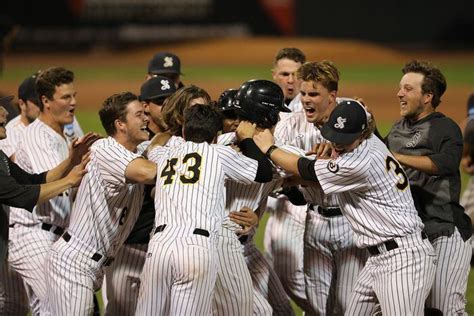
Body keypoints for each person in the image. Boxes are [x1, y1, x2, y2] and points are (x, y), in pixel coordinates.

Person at [254, 99, 437, 315]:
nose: (338, 144)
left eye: (345, 140)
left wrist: (269, 148)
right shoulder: (373, 143)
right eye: (335, 137)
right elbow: (325, 178)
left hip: (404, 261)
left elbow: (307, 168)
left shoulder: (360, 161)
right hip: (379, 259)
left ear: (361, 135)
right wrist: (301, 181)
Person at [136, 103, 273, 315]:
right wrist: (245, 139)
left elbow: (152, 148)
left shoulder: (166, 155)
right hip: (197, 248)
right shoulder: (218, 153)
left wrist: (167, 132)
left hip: (159, 247)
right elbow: (263, 172)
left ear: (184, 132)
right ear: (216, 136)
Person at [44, 92, 158, 315]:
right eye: (139, 115)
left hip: (91, 265)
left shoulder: (135, 151)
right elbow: (147, 173)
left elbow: (160, 141)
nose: (146, 118)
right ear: (120, 124)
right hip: (74, 263)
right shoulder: (105, 149)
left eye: (145, 113)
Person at [272, 61, 368, 314]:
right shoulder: (289, 126)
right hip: (314, 221)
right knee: (315, 307)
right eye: (303, 93)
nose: (305, 100)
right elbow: (285, 180)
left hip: (351, 223)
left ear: (332, 95)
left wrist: (302, 173)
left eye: (313, 94)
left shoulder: (354, 118)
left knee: (349, 306)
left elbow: (351, 173)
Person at [6, 67, 99, 313]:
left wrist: (73, 162)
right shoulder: (37, 136)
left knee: (49, 310)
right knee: (65, 308)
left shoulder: (62, 134)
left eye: (74, 96)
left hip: (52, 236)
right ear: (46, 101)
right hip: (34, 235)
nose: (74, 103)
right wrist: (74, 173)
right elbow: (42, 186)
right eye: (66, 97)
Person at [386, 60, 472, 315]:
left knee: (445, 308)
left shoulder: (445, 128)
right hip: (412, 236)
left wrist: (398, 158)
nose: (399, 93)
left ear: (427, 96)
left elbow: (446, 163)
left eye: (408, 89)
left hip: (445, 230)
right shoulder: (397, 129)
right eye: (401, 88)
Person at [214, 80, 294, 316]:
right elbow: (261, 173)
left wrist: (257, 215)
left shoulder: (276, 149)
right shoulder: (224, 147)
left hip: (245, 245)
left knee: (281, 308)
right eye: (276, 114)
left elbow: (302, 176)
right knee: (260, 312)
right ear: (269, 116)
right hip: (220, 244)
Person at [102, 76, 176, 315]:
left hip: (158, 252)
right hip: (124, 249)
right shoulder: (111, 149)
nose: (166, 107)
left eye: (171, 100)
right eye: (160, 102)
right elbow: (147, 173)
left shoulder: (148, 144)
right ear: (146, 106)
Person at [264, 48, 310, 311]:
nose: (290, 80)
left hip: (297, 204)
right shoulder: (269, 105)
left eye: (296, 74)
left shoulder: (306, 110)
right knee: (276, 276)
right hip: (274, 209)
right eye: (284, 74)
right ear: (275, 75)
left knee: (293, 276)